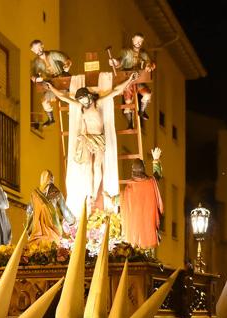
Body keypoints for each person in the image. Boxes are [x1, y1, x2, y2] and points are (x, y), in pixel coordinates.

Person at [47, 72, 138, 208]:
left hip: (99, 138)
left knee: (97, 166)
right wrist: (52, 88)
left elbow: (115, 91)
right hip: (88, 139)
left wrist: (130, 80)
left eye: (84, 99)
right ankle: (90, 195)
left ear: (88, 96)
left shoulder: (97, 103)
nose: (83, 102)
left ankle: (95, 193)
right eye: (80, 100)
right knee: (88, 166)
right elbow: (63, 97)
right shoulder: (81, 107)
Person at [119, 148, 163, 249]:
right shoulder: (151, 183)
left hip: (134, 232)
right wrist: (155, 159)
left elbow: (121, 198)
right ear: (144, 169)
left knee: (136, 251)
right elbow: (157, 175)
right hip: (149, 230)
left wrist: (110, 198)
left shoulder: (130, 188)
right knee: (147, 254)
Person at [108, 33, 155, 126]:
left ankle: (141, 111)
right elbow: (120, 61)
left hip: (138, 79)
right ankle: (130, 123)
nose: (138, 43)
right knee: (128, 101)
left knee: (147, 94)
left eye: (140, 41)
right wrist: (115, 62)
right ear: (133, 39)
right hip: (127, 80)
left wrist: (149, 66)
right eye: (137, 40)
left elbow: (150, 63)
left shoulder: (143, 53)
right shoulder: (126, 51)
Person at [26, 170, 75, 247]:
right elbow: (64, 210)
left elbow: (29, 210)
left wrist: (29, 227)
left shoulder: (34, 194)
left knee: (35, 251)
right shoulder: (56, 193)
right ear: (52, 179)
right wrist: (72, 221)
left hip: (36, 233)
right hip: (53, 230)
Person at [30, 39, 72, 127]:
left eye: (39, 48)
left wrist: (67, 65)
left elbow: (67, 60)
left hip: (63, 80)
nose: (39, 50)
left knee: (69, 97)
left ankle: (72, 111)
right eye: (36, 49)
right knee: (44, 101)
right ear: (33, 51)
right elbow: (32, 76)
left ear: (42, 46)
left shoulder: (53, 54)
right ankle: (51, 119)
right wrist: (36, 79)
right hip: (51, 84)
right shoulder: (36, 63)